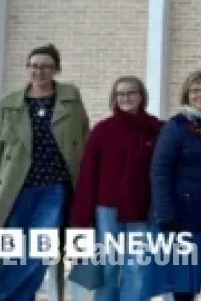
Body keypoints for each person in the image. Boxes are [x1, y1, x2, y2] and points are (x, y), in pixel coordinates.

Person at [0, 43, 90, 301]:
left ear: (56, 70)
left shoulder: (71, 99)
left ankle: (0, 299)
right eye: (34, 65)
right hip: (13, 189)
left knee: (41, 248)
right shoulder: (10, 104)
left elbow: (84, 138)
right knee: (11, 250)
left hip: (55, 188)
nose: (39, 71)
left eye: (46, 66)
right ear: (28, 68)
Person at [69, 76, 163, 301]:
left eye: (131, 93)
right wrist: (82, 215)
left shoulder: (157, 129)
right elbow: (88, 173)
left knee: (137, 267)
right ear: (114, 98)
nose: (126, 98)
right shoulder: (102, 130)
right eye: (121, 94)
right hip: (107, 210)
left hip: (142, 209)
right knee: (109, 266)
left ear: (142, 96)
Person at [150, 70, 201, 301]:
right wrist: (165, 213)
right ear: (187, 94)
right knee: (184, 284)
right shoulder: (176, 126)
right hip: (183, 215)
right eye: (195, 90)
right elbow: (160, 171)